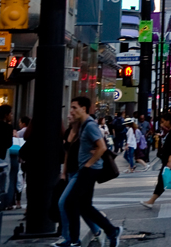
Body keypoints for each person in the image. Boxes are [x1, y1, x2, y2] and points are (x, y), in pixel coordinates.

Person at [57, 96, 122, 247]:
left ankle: (74, 240)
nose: (72, 110)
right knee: (84, 206)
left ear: (83, 108)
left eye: (74, 107)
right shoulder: (83, 125)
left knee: (70, 202)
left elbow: (102, 147)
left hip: (89, 170)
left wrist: (88, 164)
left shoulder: (90, 125)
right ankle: (112, 231)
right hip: (88, 169)